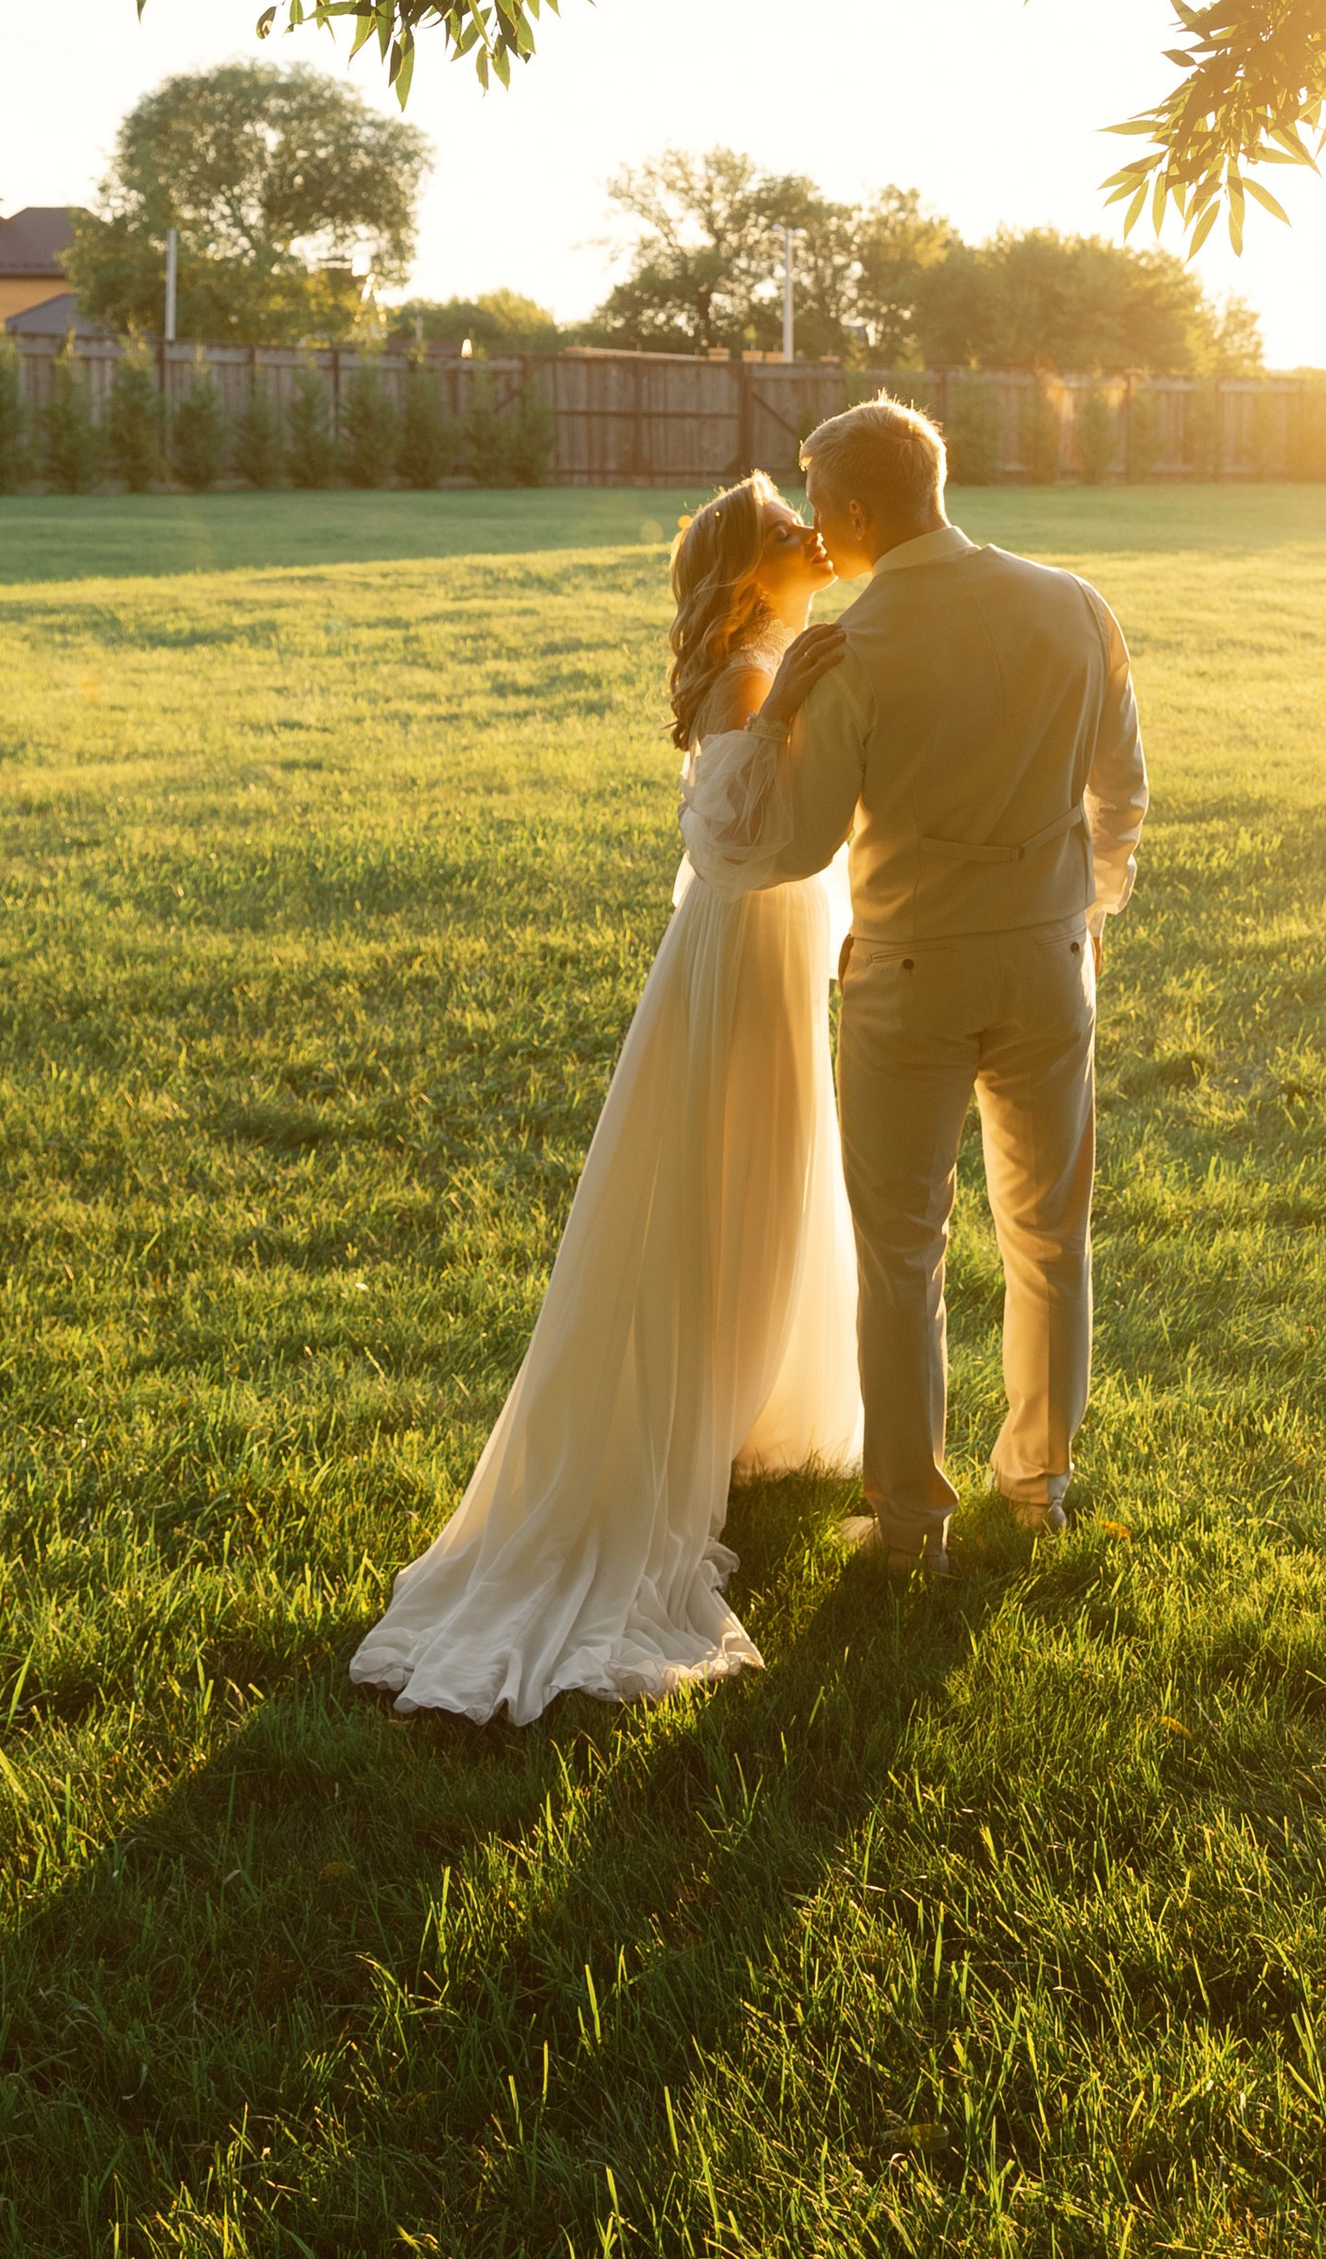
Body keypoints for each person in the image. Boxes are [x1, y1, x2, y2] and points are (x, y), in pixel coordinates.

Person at [351, 472, 862, 1726]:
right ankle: (677, 1438)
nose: (814, 531)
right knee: (729, 1161)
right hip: (741, 948)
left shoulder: (766, 652)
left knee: (763, 1159)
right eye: (789, 527)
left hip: (771, 947)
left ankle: (751, 1408)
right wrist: (795, 698)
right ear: (753, 573)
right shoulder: (752, 669)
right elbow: (729, 841)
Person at [680, 397, 1147, 1578]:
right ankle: (1037, 1484)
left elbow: (793, 849)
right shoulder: (1075, 604)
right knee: (1051, 1235)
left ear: (852, 510)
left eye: (820, 503)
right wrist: (1081, 909)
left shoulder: (854, 645)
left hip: (906, 973)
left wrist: (758, 744)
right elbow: (1121, 790)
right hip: (1049, 962)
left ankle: (908, 1527)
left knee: (902, 1250)